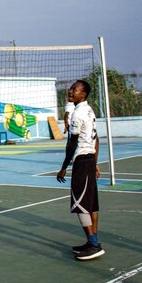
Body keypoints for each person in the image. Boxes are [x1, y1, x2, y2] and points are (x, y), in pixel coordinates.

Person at [56, 80, 104, 261]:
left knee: (81, 204)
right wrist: (95, 162)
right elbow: (95, 139)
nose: (70, 91)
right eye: (70, 89)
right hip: (89, 159)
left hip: (82, 162)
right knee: (91, 203)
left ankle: (93, 245)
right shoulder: (89, 110)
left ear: (83, 94)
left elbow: (72, 144)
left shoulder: (78, 114)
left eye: (74, 89)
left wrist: (63, 167)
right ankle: (93, 241)